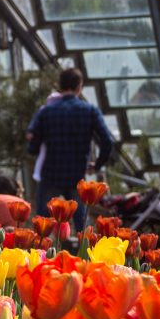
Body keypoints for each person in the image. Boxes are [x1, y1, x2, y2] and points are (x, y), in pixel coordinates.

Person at [26, 68, 114, 233]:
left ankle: (40, 256)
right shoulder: (89, 111)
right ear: (79, 86)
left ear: (60, 86)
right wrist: (97, 164)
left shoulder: (46, 112)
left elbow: (32, 143)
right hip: (76, 177)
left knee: (42, 228)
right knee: (82, 228)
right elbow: (107, 140)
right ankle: (85, 257)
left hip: (50, 175)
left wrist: (35, 148)